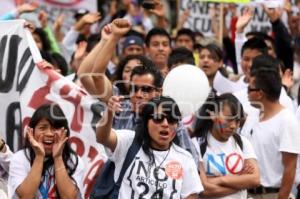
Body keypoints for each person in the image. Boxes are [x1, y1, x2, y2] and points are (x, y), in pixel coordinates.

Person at [96, 96, 203, 198]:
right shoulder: (128, 141)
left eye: (172, 119)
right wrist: (109, 113)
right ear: (146, 122)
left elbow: (190, 195)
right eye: (158, 118)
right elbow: (102, 137)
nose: (165, 124)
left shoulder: (185, 158)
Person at [241, 63, 300, 198]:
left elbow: (290, 167)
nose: (247, 92)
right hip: (247, 193)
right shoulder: (253, 117)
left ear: (260, 93)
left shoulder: (286, 121)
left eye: (250, 89)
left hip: (272, 194)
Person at [8, 104, 84, 198]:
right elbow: (26, 196)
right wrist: (39, 156)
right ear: (31, 132)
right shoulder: (20, 158)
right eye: (42, 128)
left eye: (55, 128)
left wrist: (58, 157)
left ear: (65, 132)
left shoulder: (74, 161)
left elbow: (69, 197)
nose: (49, 134)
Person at [194, 93, 260, 198]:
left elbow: (255, 179)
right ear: (213, 115)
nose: (233, 126)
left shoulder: (243, 142)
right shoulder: (197, 144)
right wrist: (241, 180)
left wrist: (219, 179)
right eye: (228, 119)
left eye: (237, 121)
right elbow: (204, 190)